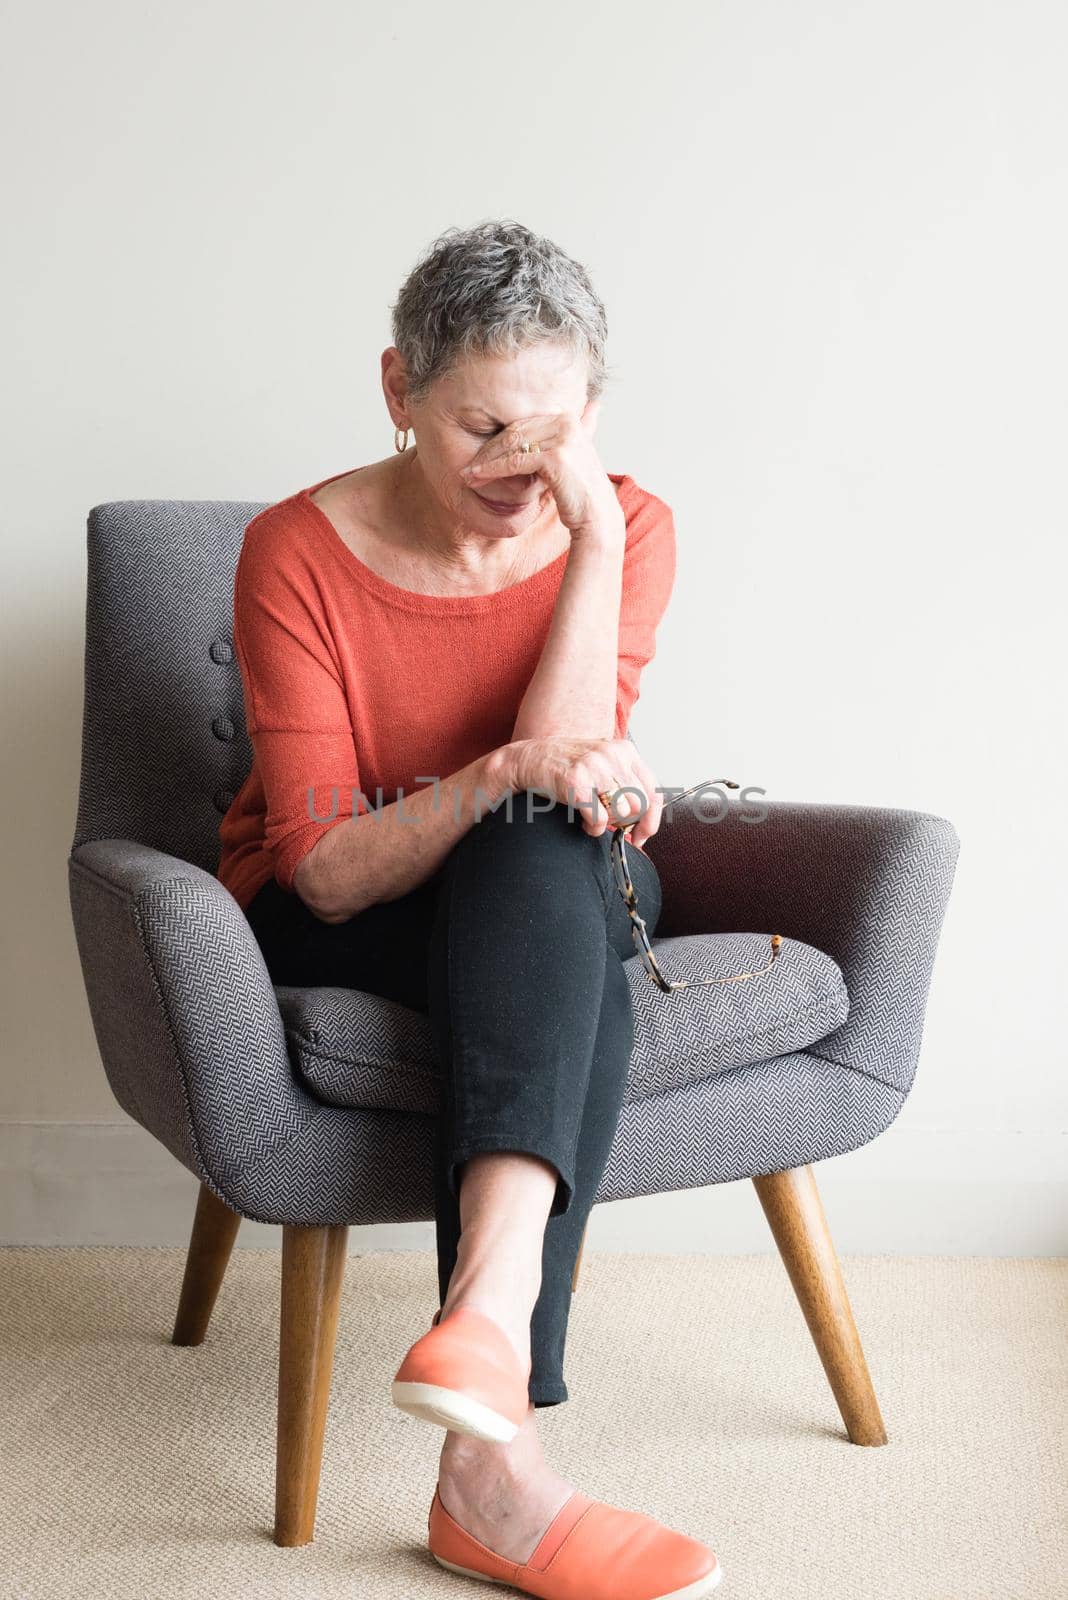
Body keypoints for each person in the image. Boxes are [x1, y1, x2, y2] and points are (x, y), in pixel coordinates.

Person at [215, 219, 722, 1596]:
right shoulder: (295, 553)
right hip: (352, 902)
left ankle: (482, 1346)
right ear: (399, 393)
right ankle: (494, 1464)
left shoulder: (626, 524)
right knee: (538, 845)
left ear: (595, 415)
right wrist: (499, 767)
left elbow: (566, 782)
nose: (517, 467)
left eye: (551, 430)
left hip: (537, 886)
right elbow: (318, 868)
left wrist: (597, 534)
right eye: (479, 425)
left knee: (544, 846)